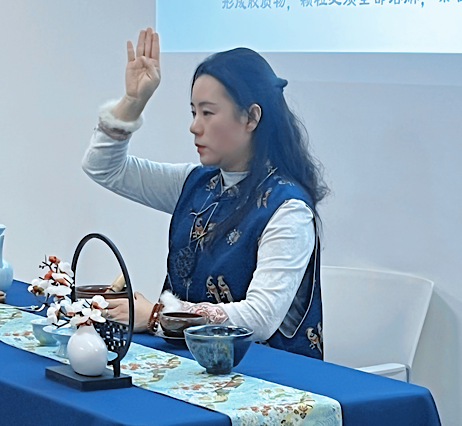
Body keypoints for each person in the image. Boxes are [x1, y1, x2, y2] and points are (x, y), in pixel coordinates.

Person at [82, 27, 329, 359]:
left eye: (208, 113)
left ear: (251, 117)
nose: (194, 126)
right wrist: (133, 102)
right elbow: (102, 166)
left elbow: (260, 318)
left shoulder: (288, 208)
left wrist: (157, 316)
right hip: (187, 362)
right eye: (193, 112)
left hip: (260, 375)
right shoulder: (196, 183)